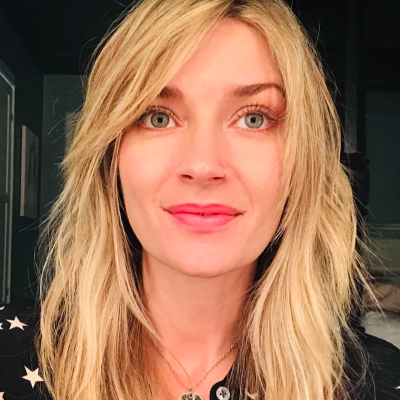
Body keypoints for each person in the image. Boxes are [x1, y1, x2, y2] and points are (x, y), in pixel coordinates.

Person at [1, 0, 399, 399]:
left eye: (254, 119)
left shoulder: (379, 383)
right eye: (158, 117)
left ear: (302, 163)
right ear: (111, 157)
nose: (203, 164)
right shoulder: (9, 354)